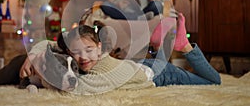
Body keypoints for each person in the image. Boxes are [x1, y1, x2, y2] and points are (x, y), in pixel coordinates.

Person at [20, 13, 221, 95]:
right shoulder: (86, 55)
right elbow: (49, 44)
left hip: (160, 75)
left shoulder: (102, 69)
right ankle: (162, 41)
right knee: (155, 62)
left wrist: (40, 68)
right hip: (139, 65)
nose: (83, 57)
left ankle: (184, 45)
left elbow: (76, 89)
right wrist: (32, 55)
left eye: (89, 50)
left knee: (214, 81)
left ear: (100, 48)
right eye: (76, 52)